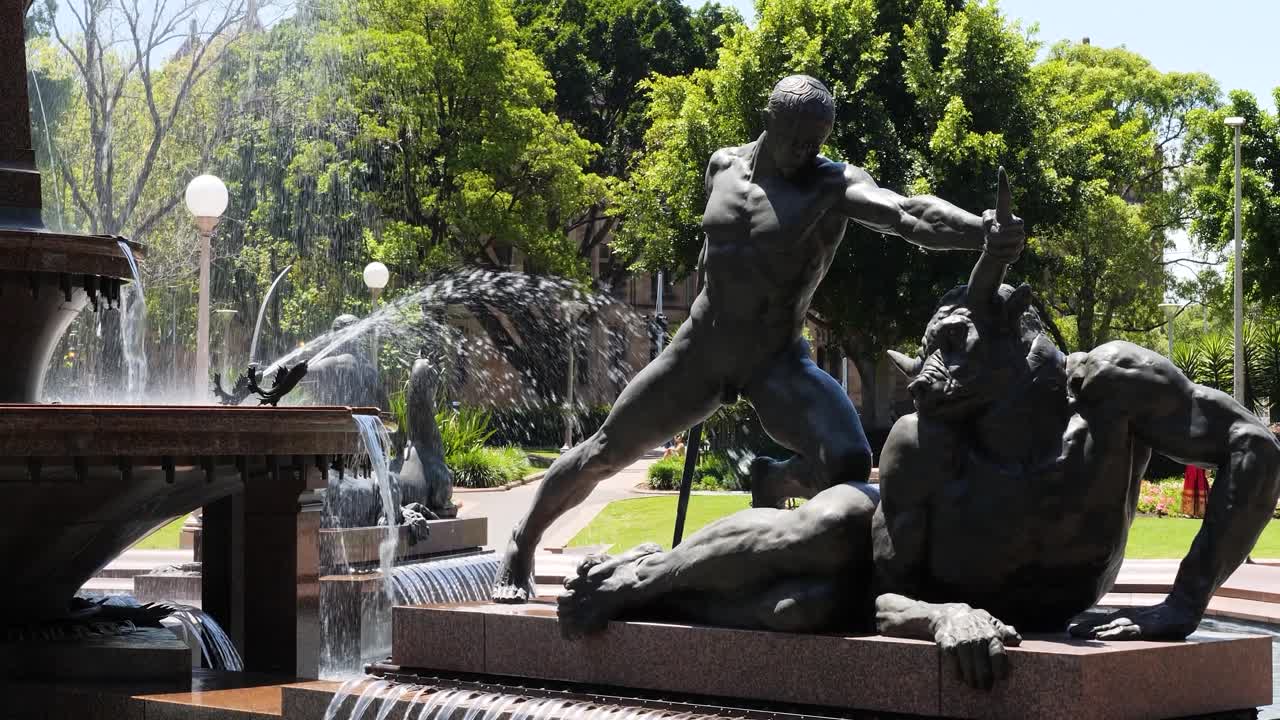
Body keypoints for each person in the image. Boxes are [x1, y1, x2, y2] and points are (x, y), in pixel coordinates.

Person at [490, 74, 1025, 603]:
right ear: (768, 120)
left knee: (845, 461)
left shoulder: (831, 185)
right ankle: (523, 542)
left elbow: (907, 213)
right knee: (604, 452)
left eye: (816, 141)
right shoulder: (722, 164)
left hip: (776, 360)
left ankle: (776, 479)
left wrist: (980, 230)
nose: (804, 150)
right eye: (794, 137)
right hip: (700, 349)